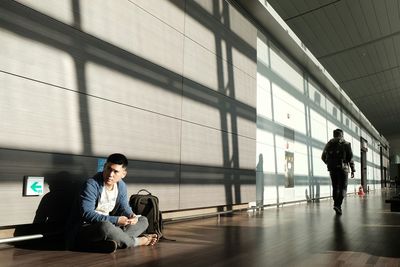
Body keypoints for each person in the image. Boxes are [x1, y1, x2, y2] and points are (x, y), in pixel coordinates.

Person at [72, 153, 158, 253]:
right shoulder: (91, 185)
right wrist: (116, 220)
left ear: (123, 174)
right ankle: (137, 241)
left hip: (112, 225)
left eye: (115, 171)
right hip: (88, 228)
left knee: (143, 220)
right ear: (104, 167)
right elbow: (87, 214)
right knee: (105, 227)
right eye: (108, 169)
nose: (110, 174)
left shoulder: (121, 186)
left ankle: (116, 240)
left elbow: (124, 206)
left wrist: (131, 215)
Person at [321, 129, 355, 215]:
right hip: (343, 169)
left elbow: (323, 157)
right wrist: (352, 169)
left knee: (335, 187)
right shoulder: (346, 144)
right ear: (342, 135)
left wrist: (329, 164)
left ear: (334, 135)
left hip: (332, 169)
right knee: (343, 187)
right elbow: (350, 157)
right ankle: (337, 205)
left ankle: (336, 204)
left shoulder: (329, 144)